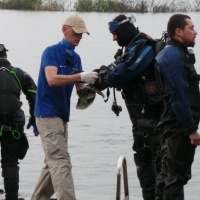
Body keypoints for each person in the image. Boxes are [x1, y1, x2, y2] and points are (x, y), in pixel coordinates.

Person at [94, 14, 164, 199]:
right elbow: (118, 66)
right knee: (146, 154)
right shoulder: (131, 48)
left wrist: (106, 79)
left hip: (148, 114)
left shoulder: (145, 46)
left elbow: (126, 71)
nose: (113, 38)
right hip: (142, 116)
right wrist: (100, 73)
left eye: (115, 33)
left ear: (125, 29)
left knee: (148, 155)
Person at [31, 15, 98, 200]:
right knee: (61, 162)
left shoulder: (75, 58)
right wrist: (80, 77)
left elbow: (82, 90)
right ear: (64, 30)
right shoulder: (51, 52)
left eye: (82, 34)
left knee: (52, 164)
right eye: (76, 33)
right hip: (46, 114)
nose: (79, 38)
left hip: (62, 116)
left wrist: (98, 81)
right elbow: (52, 79)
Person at [155, 14, 200, 200]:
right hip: (178, 126)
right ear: (178, 32)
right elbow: (178, 96)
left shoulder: (175, 53)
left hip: (173, 123)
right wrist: (191, 130)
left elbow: (184, 84)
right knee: (176, 177)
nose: (195, 32)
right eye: (191, 28)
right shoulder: (173, 56)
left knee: (167, 175)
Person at [0, 44, 38, 200]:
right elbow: (34, 94)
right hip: (13, 124)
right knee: (10, 163)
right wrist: (34, 117)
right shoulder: (19, 73)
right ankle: (12, 197)